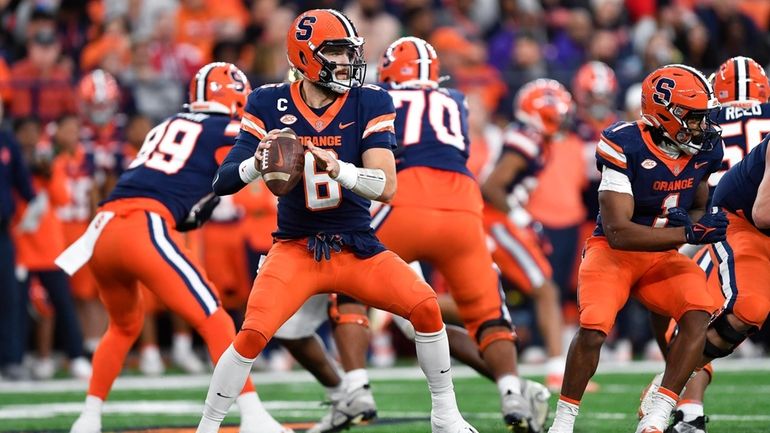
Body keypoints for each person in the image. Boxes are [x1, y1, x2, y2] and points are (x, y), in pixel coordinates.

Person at [195, 10, 477, 433]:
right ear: (306, 57)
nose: (347, 62)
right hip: (295, 247)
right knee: (251, 334)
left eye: (351, 52)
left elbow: (386, 185)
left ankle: (446, 417)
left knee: (425, 306)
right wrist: (259, 163)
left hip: (355, 244)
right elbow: (222, 181)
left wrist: (340, 169)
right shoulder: (268, 101)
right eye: (337, 52)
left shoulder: (371, 100)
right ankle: (208, 426)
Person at [284, 37, 552, 433]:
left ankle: (356, 386)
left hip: (404, 202)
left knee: (350, 284)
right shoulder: (455, 101)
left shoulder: (376, 97)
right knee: (484, 312)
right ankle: (514, 392)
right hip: (462, 205)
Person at [55, 62, 291, 433]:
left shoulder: (165, 125)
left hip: (102, 229)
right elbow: (265, 148)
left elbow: (173, 184)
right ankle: (253, 414)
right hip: (142, 225)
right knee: (213, 316)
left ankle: (88, 418)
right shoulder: (225, 127)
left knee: (122, 326)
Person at [547, 64, 728, 433]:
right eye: (693, 118)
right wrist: (690, 233)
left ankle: (661, 409)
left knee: (700, 314)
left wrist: (693, 220)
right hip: (614, 254)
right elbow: (618, 232)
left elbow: (698, 202)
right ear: (666, 114)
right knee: (594, 328)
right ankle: (562, 423)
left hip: (661, 257)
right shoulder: (623, 142)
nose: (702, 128)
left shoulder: (705, 152)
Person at [640, 56, 770, 433]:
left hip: (697, 224)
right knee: (719, 312)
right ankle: (678, 402)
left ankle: (689, 409)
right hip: (731, 222)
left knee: (685, 312)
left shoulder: (703, 119)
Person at [480, 78, 573, 392]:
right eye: (554, 113)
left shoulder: (533, 137)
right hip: (494, 219)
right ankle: (559, 374)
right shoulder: (528, 138)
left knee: (482, 296)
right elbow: (492, 185)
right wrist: (519, 216)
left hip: (495, 217)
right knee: (545, 289)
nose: (561, 119)